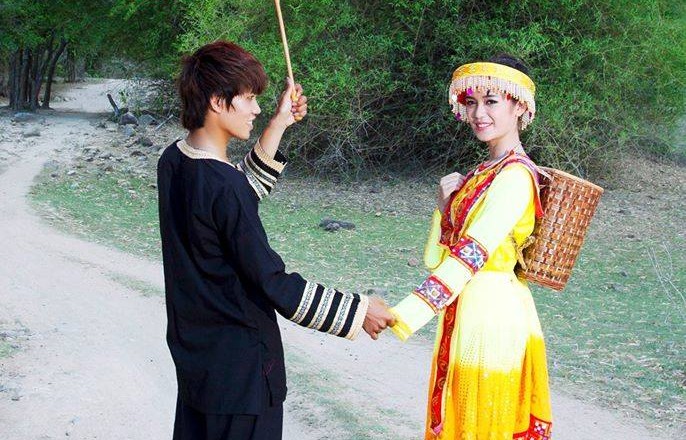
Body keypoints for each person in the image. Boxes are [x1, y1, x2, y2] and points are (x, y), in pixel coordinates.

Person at [157, 40, 395, 440]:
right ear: (217, 101)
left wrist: (279, 123)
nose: (256, 109)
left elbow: (231, 204)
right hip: (243, 377)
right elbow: (274, 284)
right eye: (249, 98)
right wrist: (358, 311)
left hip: (200, 369)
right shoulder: (224, 188)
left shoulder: (174, 161)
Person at [389, 55, 553, 439]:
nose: (479, 113)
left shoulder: (516, 176)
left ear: (519, 106)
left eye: (491, 101)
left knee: (481, 419)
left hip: (493, 315)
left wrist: (405, 313)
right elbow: (438, 258)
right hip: (466, 307)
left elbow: (471, 255)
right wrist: (444, 209)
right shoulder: (483, 172)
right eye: (472, 102)